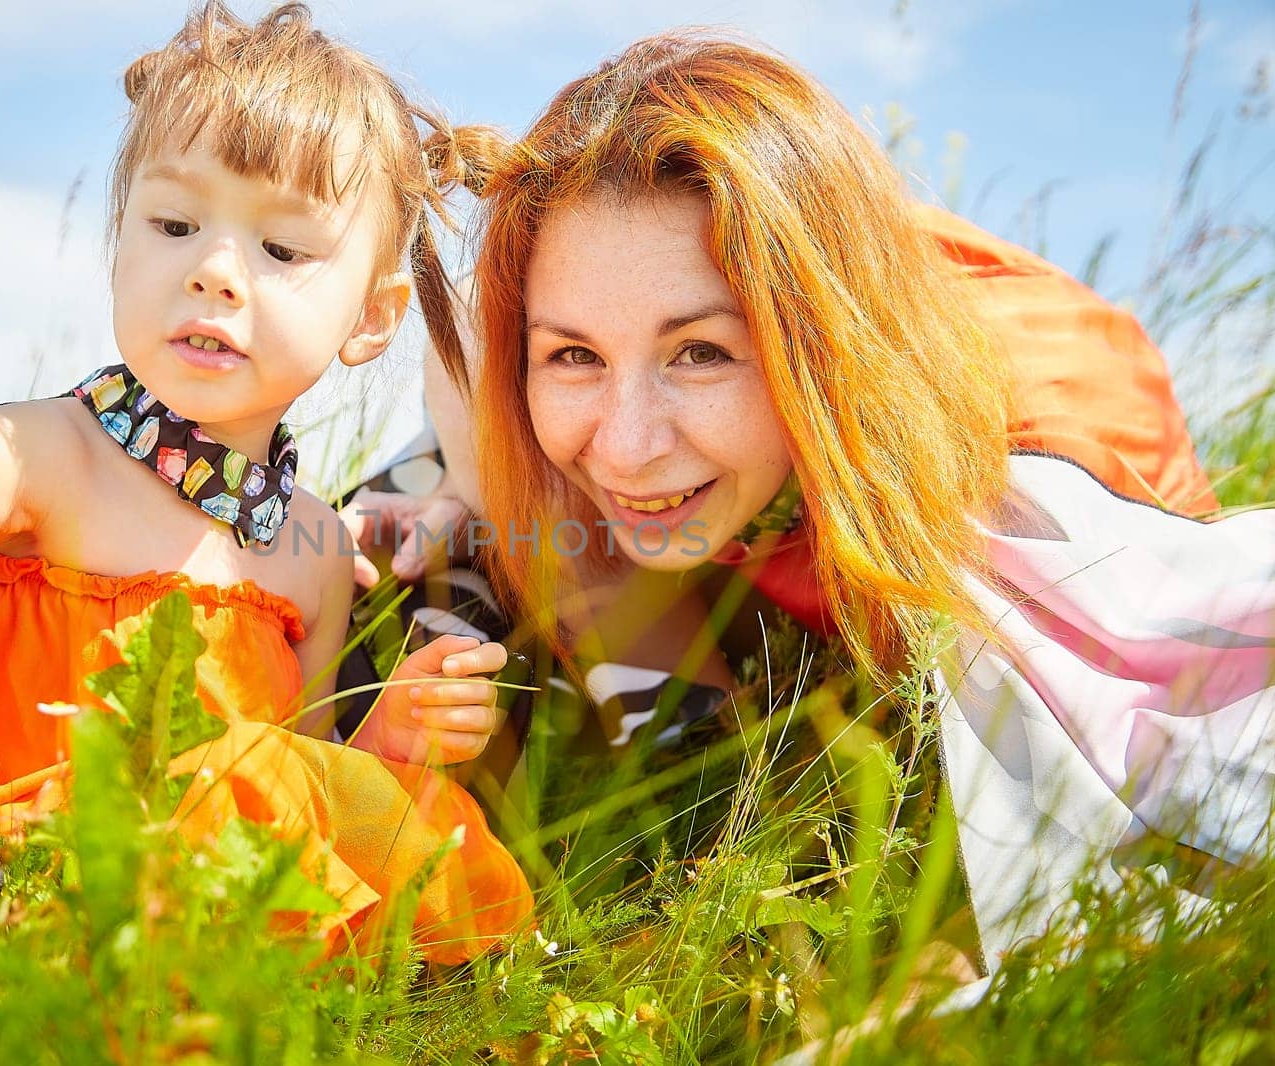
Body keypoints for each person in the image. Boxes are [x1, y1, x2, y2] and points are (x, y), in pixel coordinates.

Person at [374, 30, 1275, 972]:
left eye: (703, 353)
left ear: (815, 349)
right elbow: (475, 356)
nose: (627, 447)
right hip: (770, 499)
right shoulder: (535, 371)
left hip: (968, 441)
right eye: (573, 356)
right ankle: (684, 758)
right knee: (445, 540)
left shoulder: (1015, 497)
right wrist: (462, 484)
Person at [0, 2, 532, 962]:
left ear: (371, 319)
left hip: (197, 921)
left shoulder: (315, 551)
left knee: (354, 796)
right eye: (173, 223)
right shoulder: (32, 453)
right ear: (119, 240)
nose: (213, 270)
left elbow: (301, 796)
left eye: (281, 251)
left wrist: (387, 750)